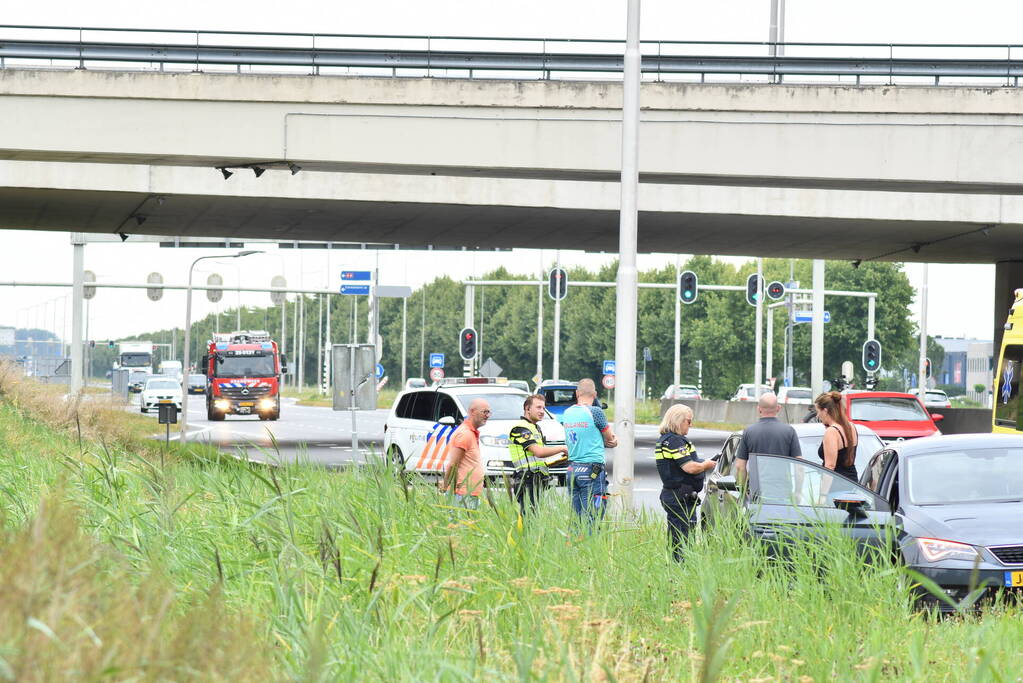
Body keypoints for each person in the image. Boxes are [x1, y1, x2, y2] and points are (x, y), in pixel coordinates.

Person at [656, 404, 716, 562]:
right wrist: (706, 465)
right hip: (679, 496)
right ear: (679, 421)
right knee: (683, 538)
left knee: (677, 535)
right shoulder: (675, 441)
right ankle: (681, 570)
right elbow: (689, 467)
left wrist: (703, 462)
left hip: (677, 495)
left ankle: (677, 568)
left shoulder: (668, 440)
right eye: (689, 421)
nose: (691, 425)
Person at [561, 378, 617, 526]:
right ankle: (590, 543)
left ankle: (575, 544)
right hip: (592, 471)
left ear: (577, 393)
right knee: (594, 512)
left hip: (573, 470)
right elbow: (610, 438)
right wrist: (613, 440)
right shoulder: (596, 412)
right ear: (595, 394)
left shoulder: (567, 413)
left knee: (577, 517)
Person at [508, 394, 569, 514]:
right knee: (529, 518)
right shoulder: (520, 428)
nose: (542, 411)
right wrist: (562, 448)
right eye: (538, 407)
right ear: (527, 408)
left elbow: (538, 460)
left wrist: (559, 460)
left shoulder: (535, 428)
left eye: (543, 408)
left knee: (535, 517)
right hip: (526, 480)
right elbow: (539, 452)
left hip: (537, 479)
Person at [734, 392, 802, 483]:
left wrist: (742, 490)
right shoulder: (789, 431)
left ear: (759, 409)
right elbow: (799, 467)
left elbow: (740, 467)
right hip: (783, 491)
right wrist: (798, 492)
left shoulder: (748, 432)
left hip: (756, 491)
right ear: (778, 408)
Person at [442, 398, 490, 510]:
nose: (487, 415)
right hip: (462, 494)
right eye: (484, 412)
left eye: (489, 412)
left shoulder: (471, 433)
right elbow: (453, 464)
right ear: (472, 412)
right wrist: (445, 487)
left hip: (469, 493)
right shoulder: (465, 434)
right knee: (461, 526)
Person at [813, 391, 859, 482]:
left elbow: (830, 466)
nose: (818, 416)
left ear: (825, 411)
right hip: (853, 483)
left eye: (818, 412)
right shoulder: (852, 427)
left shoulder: (832, 431)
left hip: (837, 485)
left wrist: (823, 494)